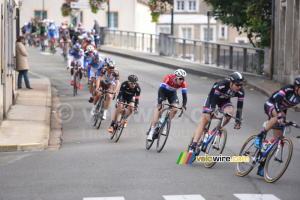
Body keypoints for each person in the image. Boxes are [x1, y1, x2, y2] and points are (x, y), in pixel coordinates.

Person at [254, 76, 300, 176]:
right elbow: (277, 100)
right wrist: (279, 113)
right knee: (280, 116)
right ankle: (260, 135)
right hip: (272, 104)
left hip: (282, 110)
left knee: (276, 142)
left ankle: (262, 165)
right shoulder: (288, 88)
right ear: (296, 87)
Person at [188, 72, 244, 152]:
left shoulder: (241, 91)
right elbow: (214, 98)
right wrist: (213, 111)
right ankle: (193, 144)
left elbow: (240, 106)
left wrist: (238, 121)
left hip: (224, 101)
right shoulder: (223, 84)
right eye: (237, 85)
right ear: (231, 83)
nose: (239, 87)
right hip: (212, 99)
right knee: (205, 120)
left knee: (229, 114)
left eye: (241, 85)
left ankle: (213, 132)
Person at [147, 69, 187, 141]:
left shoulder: (183, 83)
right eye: (180, 79)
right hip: (163, 92)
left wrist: (184, 105)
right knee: (160, 110)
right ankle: (151, 131)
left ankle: (164, 125)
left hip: (172, 94)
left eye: (183, 79)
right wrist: (162, 99)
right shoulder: (168, 78)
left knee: (175, 109)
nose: (182, 81)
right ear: (176, 77)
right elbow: (161, 90)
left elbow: (184, 95)